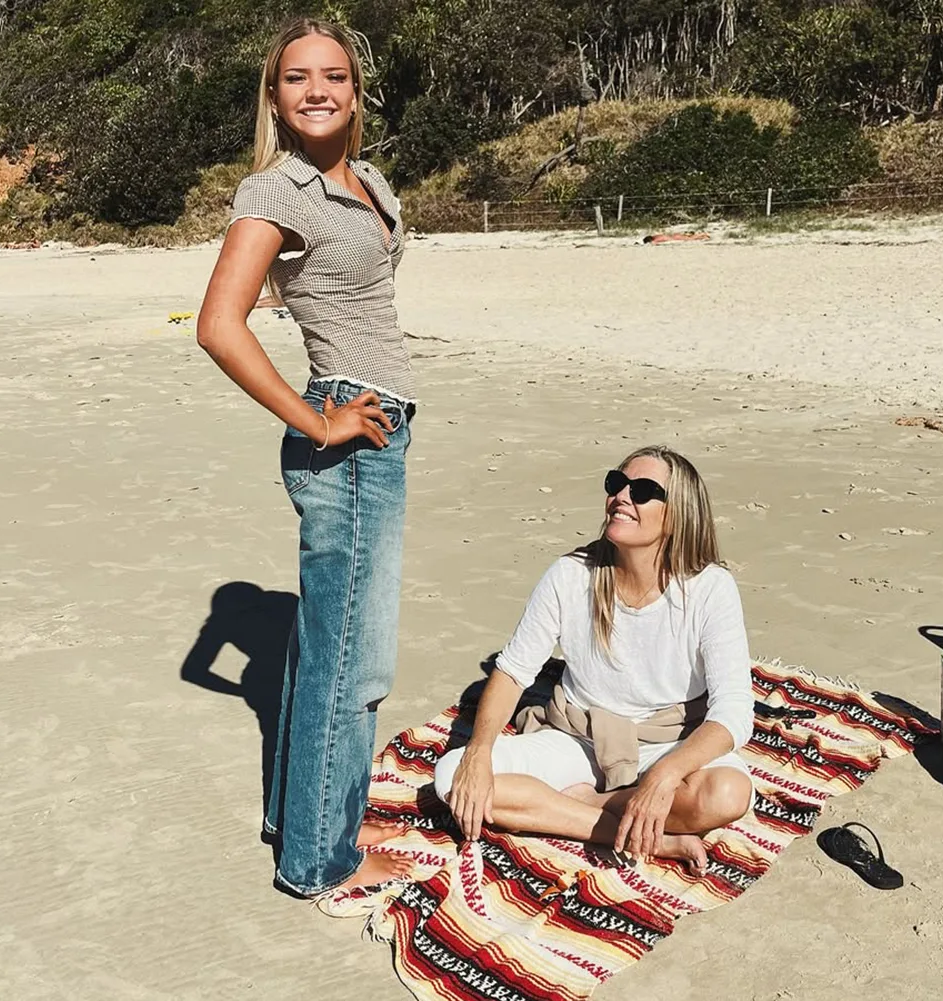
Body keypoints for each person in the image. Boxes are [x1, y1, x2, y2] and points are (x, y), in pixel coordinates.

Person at [197, 17, 415, 896]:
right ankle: (322, 859)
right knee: (351, 658)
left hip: (380, 421)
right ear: (275, 97)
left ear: (356, 91)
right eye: (297, 78)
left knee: (326, 645)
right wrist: (315, 422)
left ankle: (297, 821)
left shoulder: (366, 180)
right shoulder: (274, 192)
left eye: (333, 75)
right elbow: (219, 325)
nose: (317, 89)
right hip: (346, 426)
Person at [435, 447, 755, 868]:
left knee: (727, 794)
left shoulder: (709, 588)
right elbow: (513, 673)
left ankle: (591, 802)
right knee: (452, 776)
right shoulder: (572, 575)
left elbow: (733, 712)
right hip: (578, 736)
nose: (622, 496)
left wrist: (665, 775)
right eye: (615, 484)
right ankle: (632, 834)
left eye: (642, 491)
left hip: (668, 742)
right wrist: (478, 752)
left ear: (678, 514)